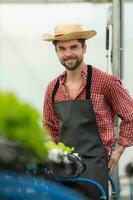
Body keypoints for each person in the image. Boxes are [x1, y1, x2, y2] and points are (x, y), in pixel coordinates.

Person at [42, 24, 133, 199]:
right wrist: (50, 157)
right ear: (57, 52)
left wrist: (118, 151)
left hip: (95, 167)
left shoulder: (106, 82)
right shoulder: (52, 88)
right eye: (62, 48)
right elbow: (50, 127)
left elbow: (130, 114)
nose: (68, 53)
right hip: (63, 169)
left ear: (84, 48)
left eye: (73, 47)